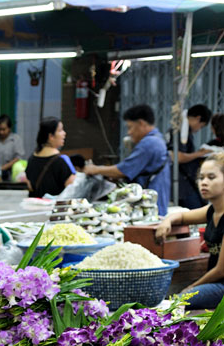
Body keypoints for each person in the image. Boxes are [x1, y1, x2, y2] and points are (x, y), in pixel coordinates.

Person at [155, 153, 224, 309]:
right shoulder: (212, 211)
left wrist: (191, 288)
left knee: (175, 303)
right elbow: (182, 216)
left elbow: (221, 270)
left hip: (221, 285)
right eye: (201, 177)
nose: (204, 182)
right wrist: (167, 221)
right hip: (214, 283)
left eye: (211, 177)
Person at [84, 104, 171, 216]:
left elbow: (122, 171)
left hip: (148, 207)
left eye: (130, 127)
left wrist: (95, 169)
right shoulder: (158, 139)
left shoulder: (149, 143)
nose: (129, 132)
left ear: (141, 123)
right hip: (154, 204)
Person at [168, 103, 212, 209]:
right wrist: (199, 154)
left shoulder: (185, 130)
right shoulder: (179, 131)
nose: (198, 130)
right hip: (181, 184)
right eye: (201, 126)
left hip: (185, 182)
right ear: (198, 118)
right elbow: (177, 156)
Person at [24, 118, 75, 197]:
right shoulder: (61, 161)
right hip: (55, 208)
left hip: (35, 207)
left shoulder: (32, 159)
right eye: (60, 130)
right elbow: (72, 189)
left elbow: (30, 186)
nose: (64, 133)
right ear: (51, 136)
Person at [0, 115, 24, 182]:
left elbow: (18, 157)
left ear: (9, 128)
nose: (1, 132)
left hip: (10, 175)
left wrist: (3, 168)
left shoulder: (16, 139)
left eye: (4, 129)